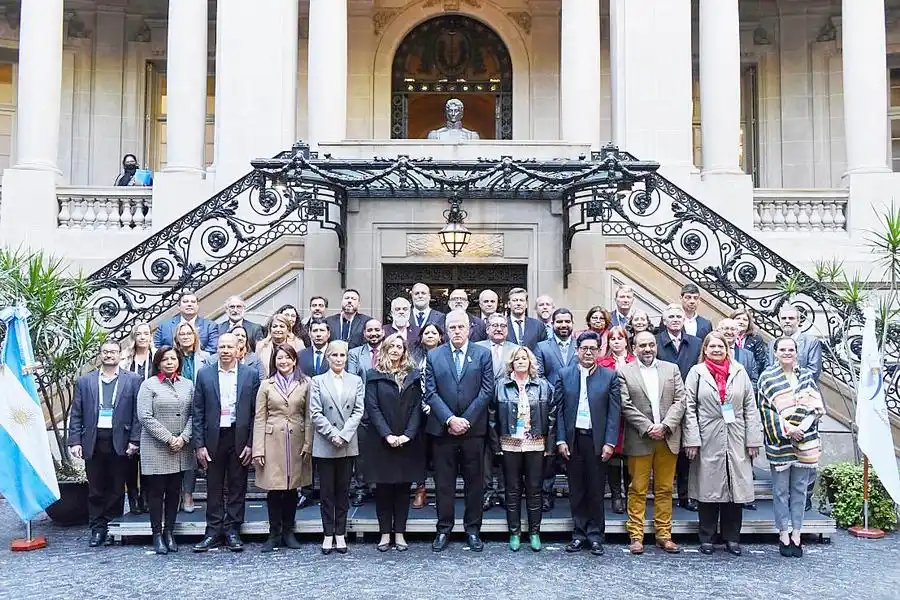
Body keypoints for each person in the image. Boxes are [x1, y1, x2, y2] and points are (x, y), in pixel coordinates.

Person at [683, 332, 763, 556]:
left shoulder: (739, 371)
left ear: (727, 349)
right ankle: (707, 537)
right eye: (712, 346)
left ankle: (732, 538)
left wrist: (753, 439)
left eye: (721, 346)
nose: (717, 350)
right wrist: (692, 439)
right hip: (707, 434)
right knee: (708, 488)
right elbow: (689, 407)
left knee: (734, 488)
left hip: (736, 434)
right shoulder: (696, 373)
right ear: (705, 350)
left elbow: (750, 406)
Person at [424, 310, 494, 553]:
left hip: (473, 431)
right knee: (444, 484)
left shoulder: (483, 354)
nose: (456, 331)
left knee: (475, 483)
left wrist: (466, 420)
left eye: (460, 327)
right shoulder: (434, 355)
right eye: (452, 327)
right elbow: (430, 393)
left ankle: (473, 530)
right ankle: (444, 529)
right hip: (443, 432)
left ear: (469, 329)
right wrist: (450, 419)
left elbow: (487, 390)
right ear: (446, 330)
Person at [191, 333, 261, 553]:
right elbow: (198, 411)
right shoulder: (204, 375)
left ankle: (232, 530)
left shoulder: (250, 375)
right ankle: (213, 531)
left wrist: (251, 443)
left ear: (239, 349)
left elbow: (255, 413)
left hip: (239, 438)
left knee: (237, 486)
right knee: (213, 486)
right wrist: (199, 444)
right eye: (222, 346)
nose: (225, 350)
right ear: (217, 349)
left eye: (230, 346)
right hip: (213, 438)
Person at [68, 340, 142, 547]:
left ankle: (112, 527)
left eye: (113, 352)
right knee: (96, 488)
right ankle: (97, 529)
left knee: (117, 488)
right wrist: (75, 441)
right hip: (93, 439)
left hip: (121, 440)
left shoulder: (133, 380)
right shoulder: (85, 381)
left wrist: (135, 440)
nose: (109, 355)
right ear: (100, 355)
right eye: (105, 352)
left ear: (120, 355)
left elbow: (138, 414)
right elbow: (76, 413)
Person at [618, 331, 687, 555]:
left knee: (665, 489)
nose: (647, 349)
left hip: (667, 437)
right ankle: (636, 536)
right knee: (637, 489)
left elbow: (680, 400)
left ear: (656, 346)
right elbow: (626, 405)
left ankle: (664, 535)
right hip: (640, 438)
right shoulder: (624, 371)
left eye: (650, 345)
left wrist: (665, 426)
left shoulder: (671, 369)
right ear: (634, 348)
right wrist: (648, 427)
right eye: (642, 345)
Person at [555, 331, 620, 557]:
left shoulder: (609, 376)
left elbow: (614, 413)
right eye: (584, 348)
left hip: (597, 440)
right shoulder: (564, 375)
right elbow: (560, 411)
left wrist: (610, 442)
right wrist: (561, 438)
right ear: (577, 350)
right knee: (577, 489)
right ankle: (578, 534)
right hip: (574, 440)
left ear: (599, 350)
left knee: (595, 489)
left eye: (593, 348)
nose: (589, 352)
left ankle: (595, 535)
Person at [759, 336, 825, 558]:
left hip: (805, 440)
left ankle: (797, 532)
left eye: (791, 349)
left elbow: (815, 405)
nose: (787, 352)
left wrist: (802, 428)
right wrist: (788, 429)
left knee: (799, 490)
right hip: (780, 443)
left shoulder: (806, 376)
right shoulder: (767, 377)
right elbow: (766, 409)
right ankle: (783, 533)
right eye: (783, 349)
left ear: (796, 352)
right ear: (775, 352)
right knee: (780, 491)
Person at [362, 334, 425, 552]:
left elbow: (418, 408)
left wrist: (408, 434)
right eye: (392, 346)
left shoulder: (414, 376)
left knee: (403, 489)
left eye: (400, 347)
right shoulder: (374, 375)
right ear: (385, 349)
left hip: (408, 441)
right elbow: (372, 408)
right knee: (384, 490)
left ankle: (399, 533)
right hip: (382, 441)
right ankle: (384, 534)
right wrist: (387, 435)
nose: (396, 350)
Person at [491, 346, 556, 552]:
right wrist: (495, 445)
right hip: (509, 443)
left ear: (530, 363)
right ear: (511, 363)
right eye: (517, 359)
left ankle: (535, 532)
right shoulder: (500, 385)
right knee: (512, 489)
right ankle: (515, 532)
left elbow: (553, 416)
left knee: (535, 488)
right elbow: (491, 416)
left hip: (535, 443)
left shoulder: (543, 386)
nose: (520, 361)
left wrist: (550, 445)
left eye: (524, 358)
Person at [252, 344, 313, 552]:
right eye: (280, 358)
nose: (284, 361)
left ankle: (289, 531)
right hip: (272, 440)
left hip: (296, 439)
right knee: (274, 488)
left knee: (291, 488)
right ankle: (274, 533)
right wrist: (258, 448)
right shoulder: (266, 385)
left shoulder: (305, 383)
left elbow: (309, 417)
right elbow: (260, 417)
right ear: (274, 361)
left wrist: (308, 443)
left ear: (295, 360)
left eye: (288, 357)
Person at [137, 346, 195, 555]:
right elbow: (144, 416)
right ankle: (156, 534)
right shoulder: (149, 385)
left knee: (174, 493)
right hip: (157, 447)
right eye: (165, 359)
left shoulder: (188, 385)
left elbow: (194, 413)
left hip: (181, 447)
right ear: (158, 363)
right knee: (156, 493)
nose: (169, 362)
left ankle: (169, 532)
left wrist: (184, 438)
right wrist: (169, 438)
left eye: (173, 358)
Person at [310, 340, 365, 555]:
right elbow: (315, 412)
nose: (339, 359)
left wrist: (344, 435)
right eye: (334, 355)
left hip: (347, 442)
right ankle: (327, 534)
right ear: (328, 357)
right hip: (326, 442)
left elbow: (358, 411)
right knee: (326, 492)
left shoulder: (356, 380)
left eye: (342, 355)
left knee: (343, 491)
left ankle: (340, 534)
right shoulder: (317, 381)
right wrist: (333, 434)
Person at [655, 303, 702, 511]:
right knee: (665, 448)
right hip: (663, 402)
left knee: (687, 451)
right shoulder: (655, 342)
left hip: (690, 401)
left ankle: (685, 495)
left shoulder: (696, 343)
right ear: (664, 321)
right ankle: (663, 494)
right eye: (671, 317)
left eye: (678, 316)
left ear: (684, 321)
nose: (675, 319)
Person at [533, 307, 577, 512]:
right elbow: (539, 375)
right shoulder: (542, 347)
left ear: (572, 323)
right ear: (552, 324)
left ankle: (576, 494)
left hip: (577, 407)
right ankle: (546, 494)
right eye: (559, 322)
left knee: (574, 452)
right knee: (549, 453)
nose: (563, 325)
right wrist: (558, 392)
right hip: (549, 407)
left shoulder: (581, 345)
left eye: (567, 321)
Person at [476, 313, 517, 511]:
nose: (499, 328)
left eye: (502, 325)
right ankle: (486, 492)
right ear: (487, 328)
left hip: (507, 407)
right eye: (494, 325)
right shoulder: (477, 348)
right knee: (484, 451)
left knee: (506, 448)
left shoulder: (516, 350)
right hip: (481, 407)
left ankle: (503, 491)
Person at [596, 325, 635, 515]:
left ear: (626, 340)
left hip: (632, 416)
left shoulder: (634, 361)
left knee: (629, 456)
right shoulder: (602, 363)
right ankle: (616, 495)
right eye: (613, 338)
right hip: (611, 415)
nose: (616, 341)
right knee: (613, 455)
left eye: (620, 338)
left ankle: (629, 494)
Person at [172, 321, 209, 513]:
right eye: (182, 334)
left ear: (195, 336)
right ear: (176, 338)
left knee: (191, 458)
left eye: (189, 333)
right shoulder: (170, 357)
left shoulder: (206, 358)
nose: (185, 337)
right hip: (175, 409)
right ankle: (174, 495)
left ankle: (188, 494)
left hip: (200, 410)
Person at [347, 318, 384, 507]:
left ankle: (380, 487)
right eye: (370, 330)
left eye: (377, 330)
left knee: (382, 450)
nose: (374, 333)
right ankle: (361, 488)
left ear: (383, 332)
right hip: (363, 410)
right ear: (364, 334)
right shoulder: (354, 354)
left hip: (386, 410)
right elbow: (353, 380)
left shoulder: (390, 351)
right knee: (360, 453)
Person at [120, 322, 156, 515]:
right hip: (129, 412)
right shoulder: (125, 359)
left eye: (146, 334)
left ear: (150, 337)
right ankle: (132, 496)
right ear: (133, 337)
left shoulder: (156, 357)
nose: (142, 337)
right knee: (130, 458)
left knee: (148, 457)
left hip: (151, 411)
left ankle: (146, 497)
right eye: (139, 334)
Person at [409, 322, 444, 509]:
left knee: (440, 452)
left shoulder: (447, 354)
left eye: (434, 332)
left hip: (440, 410)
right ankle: (420, 489)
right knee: (419, 452)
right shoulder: (413, 356)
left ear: (440, 337)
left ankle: (442, 492)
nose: (430, 335)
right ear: (421, 337)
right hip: (417, 410)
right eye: (426, 332)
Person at [767, 305, 823, 382]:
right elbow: (768, 370)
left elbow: (813, 372)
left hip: (803, 390)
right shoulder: (772, 344)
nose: (787, 321)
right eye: (783, 318)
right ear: (780, 321)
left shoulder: (811, 342)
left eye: (791, 318)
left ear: (798, 321)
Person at [153, 292, 219, 353]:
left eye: (193, 302)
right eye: (185, 302)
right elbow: (156, 348)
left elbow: (212, 349)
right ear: (178, 306)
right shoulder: (164, 326)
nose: (189, 304)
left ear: (197, 306)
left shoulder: (210, 326)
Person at [731, 307, 768, 380]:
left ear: (749, 323)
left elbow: (760, 362)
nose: (741, 322)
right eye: (738, 318)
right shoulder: (724, 336)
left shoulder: (756, 339)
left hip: (747, 377)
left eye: (745, 320)